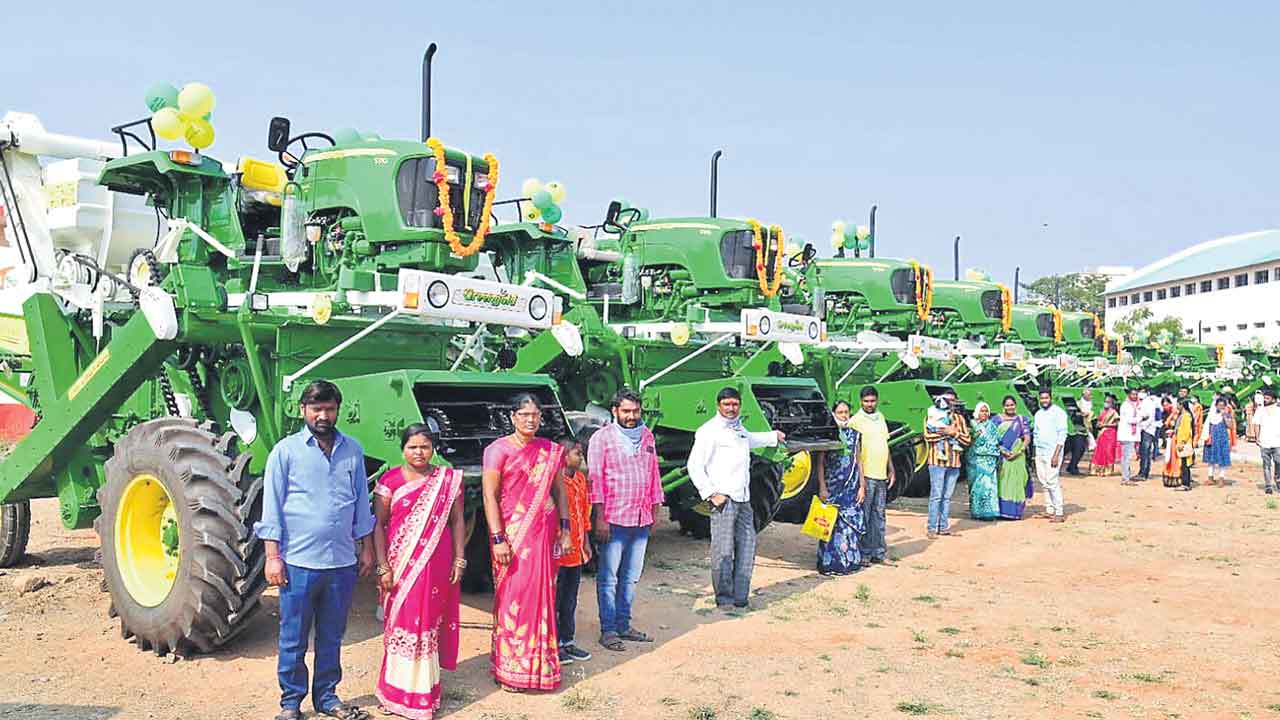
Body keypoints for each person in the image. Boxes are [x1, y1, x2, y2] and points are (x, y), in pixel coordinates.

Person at [255, 380, 376, 720]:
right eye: (316, 409)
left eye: (330, 409)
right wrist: (273, 557)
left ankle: (327, 697)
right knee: (293, 636)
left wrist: (366, 550)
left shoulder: (352, 450)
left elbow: (361, 506)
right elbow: (272, 508)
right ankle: (291, 703)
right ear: (303, 411)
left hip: (341, 562)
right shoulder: (286, 451)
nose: (323, 416)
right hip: (298, 562)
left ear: (338, 410)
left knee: (331, 635)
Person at [372, 422, 465, 720]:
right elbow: (378, 525)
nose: (419, 452)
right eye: (413, 447)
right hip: (400, 566)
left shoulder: (447, 480)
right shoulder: (390, 481)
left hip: (437, 561)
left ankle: (425, 693)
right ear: (402, 449)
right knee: (402, 624)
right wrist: (383, 565)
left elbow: (458, 521)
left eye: (425, 446)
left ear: (433, 448)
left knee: (427, 623)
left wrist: (459, 559)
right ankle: (394, 693)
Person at [481, 394, 572, 693]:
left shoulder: (549, 451)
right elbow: (489, 497)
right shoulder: (497, 451)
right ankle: (509, 670)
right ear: (512, 417)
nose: (530, 419)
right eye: (524, 414)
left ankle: (539, 666)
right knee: (513, 599)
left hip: (544, 535)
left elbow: (560, 492)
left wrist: (566, 529)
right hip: (512, 536)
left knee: (542, 596)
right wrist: (498, 539)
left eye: (535, 414)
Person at [687, 386, 785, 611]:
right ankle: (724, 598)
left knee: (747, 545)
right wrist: (711, 493)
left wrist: (773, 437)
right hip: (724, 500)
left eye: (735, 404)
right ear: (718, 405)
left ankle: (741, 596)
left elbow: (749, 440)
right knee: (723, 549)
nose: (731, 409)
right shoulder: (708, 431)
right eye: (727, 405)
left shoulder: (738, 428)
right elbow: (694, 465)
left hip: (743, 499)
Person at [587, 389, 663, 652]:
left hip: (641, 517)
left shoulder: (647, 436)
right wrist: (600, 518)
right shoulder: (601, 439)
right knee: (608, 578)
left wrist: (655, 509)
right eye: (626, 411)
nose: (632, 416)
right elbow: (595, 480)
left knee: (630, 576)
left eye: (636, 411)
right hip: (614, 517)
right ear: (615, 411)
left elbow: (654, 473)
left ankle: (624, 624)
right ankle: (608, 630)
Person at [552, 438, 593, 664]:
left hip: (576, 551)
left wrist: (586, 542)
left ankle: (568, 641)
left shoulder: (579, 479)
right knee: (556, 600)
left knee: (570, 600)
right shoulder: (555, 484)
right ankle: (555, 644)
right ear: (564, 456)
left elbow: (584, 515)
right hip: (560, 554)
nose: (581, 457)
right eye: (577, 453)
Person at [814, 400, 866, 575]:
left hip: (851, 487)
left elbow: (859, 461)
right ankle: (828, 564)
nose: (844, 416)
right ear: (833, 414)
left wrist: (862, 486)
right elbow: (820, 464)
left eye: (846, 412)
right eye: (840, 413)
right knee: (829, 524)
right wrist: (822, 487)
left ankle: (849, 563)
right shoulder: (828, 435)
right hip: (831, 486)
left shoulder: (856, 435)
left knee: (848, 526)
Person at [851, 386, 896, 565]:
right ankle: (863, 554)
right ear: (861, 401)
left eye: (872, 400)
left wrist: (891, 468)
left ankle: (879, 553)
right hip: (866, 475)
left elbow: (885, 445)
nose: (869, 404)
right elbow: (856, 453)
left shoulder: (881, 418)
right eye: (866, 401)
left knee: (879, 514)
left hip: (881, 475)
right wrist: (860, 480)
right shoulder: (856, 421)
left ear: (877, 400)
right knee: (865, 515)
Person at [923, 391, 970, 537]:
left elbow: (967, 440)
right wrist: (947, 432)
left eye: (952, 401)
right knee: (936, 495)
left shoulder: (959, 419)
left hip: (954, 462)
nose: (949, 403)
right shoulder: (931, 416)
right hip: (937, 462)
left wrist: (955, 434)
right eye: (947, 400)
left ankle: (943, 526)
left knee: (947, 496)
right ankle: (931, 528)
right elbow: (927, 436)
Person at [1033, 388, 1069, 522]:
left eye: (1046, 398)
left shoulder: (1059, 413)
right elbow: (1036, 434)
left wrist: (1056, 455)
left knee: (1052, 481)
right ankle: (1049, 509)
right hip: (1040, 452)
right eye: (1042, 398)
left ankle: (1059, 512)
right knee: (1043, 481)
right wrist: (1035, 454)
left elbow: (1062, 434)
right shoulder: (1038, 414)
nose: (1044, 400)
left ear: (1051, 398)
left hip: (1053, 453)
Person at [995, 396, 1033, 520]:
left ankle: (1015, 512)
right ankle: (1003, 510)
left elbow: (1027, 438)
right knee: (1003, 483)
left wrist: (1019, 451)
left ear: (1015, 405)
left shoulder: (1021, 420)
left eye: (1012, 405)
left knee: (1017, 482)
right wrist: (1003, 451)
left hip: (1018, 456)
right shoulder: (997, 420)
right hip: (1003, 457)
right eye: (1007, 405)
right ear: (1003, 406)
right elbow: (992, 438)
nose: (1010, 407)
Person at [965, 401, 1001, 520]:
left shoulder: (991, 426)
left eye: (986, 411)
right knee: (976, 486)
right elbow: (967, 440)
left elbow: (997, 441)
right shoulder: (972, 424)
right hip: (975, 460)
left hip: (989, 460)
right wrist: (975, 435)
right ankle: (976, 512)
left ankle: (989, 512)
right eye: (982, 411)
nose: (984, 413)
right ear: (977, 412)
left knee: (988, 486)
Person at [1162, 398, 1196, 491]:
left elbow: (1186, 431)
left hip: (1183, 443)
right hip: (1179, 441)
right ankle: (1184, 482)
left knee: (1185, 464)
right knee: (1183, 463)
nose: (1176, 406)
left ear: (1181, 405)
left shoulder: (1186, 416)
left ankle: (1186, 484)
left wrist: (1182, 442)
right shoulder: (1182, 415)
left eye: (1177, 404)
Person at [1200, 397, 1235, 486]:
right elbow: (1207, 426)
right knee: (1211, 459)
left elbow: (1230, 426)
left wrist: (1224, 416)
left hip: (1222, 439)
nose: (1221, 407)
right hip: (1212, 439)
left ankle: (1221, 478)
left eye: (1223, 406)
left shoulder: (1227, 415)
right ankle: (1210, 478)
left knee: (1222, 458)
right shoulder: (1211, 415)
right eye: (1219, 405)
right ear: (1216, 406)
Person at [1254, 388, 1280, 494]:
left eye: (1267, 398)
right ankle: (1268, 486)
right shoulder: (1260, 410)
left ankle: (1278, 480)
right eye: (1264, 398)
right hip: (1264, 442)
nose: (1265, 400)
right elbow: (1256, 424)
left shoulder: (1278, 410)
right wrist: (1257, 438)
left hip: (1277, 441)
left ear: (1273, 399)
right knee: (1266, 465)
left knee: (1278, 462)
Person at [1091, 394, 1121, 477]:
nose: (1106, 403)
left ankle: (1108, 469)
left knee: (1109, 451)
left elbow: (1117, 424)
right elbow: (1097, 422)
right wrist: (1098, 425)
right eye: (1105, 402)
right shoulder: (1101, 411)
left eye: (1108, 402)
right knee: (1100, 451)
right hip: (1102, 434)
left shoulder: (1114, 413)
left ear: (1112, 403)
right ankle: (1098, 469)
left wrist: (1106, 425)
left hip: (1111, 433)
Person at [1063, 390, 1091, 476]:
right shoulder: (1078, 404)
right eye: (1087, 394)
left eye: (1090, 394)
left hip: (1082, 430)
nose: (1089, 396)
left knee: (1080, 449)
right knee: (1066, 449)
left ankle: (1072, 466)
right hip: (1070, 430)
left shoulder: (1092, 404)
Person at [1117, 388, 1141, 484]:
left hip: (1131, 435)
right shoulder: (1126, 405)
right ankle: (1125, 478)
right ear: (1129, 395)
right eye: (1133, 394)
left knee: (1127, 457)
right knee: (1126, 457)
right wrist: (1141, 418)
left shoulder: (1135, 405)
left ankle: (1127, 476)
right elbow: (1129, 420)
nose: (1135, 396)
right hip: (1127, 435)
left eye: (1136, 394)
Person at [1138, 388, 1159, 480]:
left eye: (1142, 392)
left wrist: (1143, 427)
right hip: (1142, 429)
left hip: (1147, 430)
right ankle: (1141, 471)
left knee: (1146, 452)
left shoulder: (1149, 402)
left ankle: (1144, 473)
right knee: (1142, 452)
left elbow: (1149, 418)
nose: (1140, 394)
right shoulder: (1142, 402)